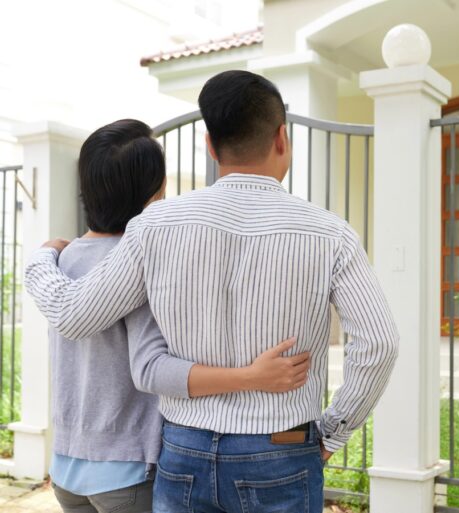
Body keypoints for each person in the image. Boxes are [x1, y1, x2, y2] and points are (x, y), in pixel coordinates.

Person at [25, 71, 399, 513]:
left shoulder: (153, 228)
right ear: (282, 138)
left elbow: (72, 315)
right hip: (281, 446)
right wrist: (333, 432)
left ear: (209, 143)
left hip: (183, 451)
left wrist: (40, 260)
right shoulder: (330, 233)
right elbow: (379, 343)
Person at [48, 119, 311, 513]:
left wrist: (40, 254)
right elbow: (153, 369)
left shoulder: (61, 259)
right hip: (127, 471)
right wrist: (250, 377)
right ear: (155, 192)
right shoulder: (138, 261)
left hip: (67, 468)